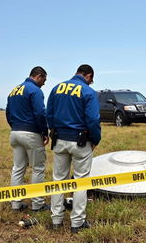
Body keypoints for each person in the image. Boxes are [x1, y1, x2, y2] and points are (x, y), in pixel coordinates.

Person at [46, 64, 101, 233]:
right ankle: (77, 223)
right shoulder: (88, 92)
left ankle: (56, 220)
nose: (91, 83)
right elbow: (92, 119)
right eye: (91, 79)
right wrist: (95, 139)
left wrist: (53, 131)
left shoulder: (57, 88)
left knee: (58, 180)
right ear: (88, 75)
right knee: (81, 181)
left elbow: (49, 114)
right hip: (81, 141)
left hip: (59, 140)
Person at [6, 66, 50, 211]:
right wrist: (44, 132)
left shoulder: (14, 90)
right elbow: (39, 112)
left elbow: (8, 112)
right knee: (38, 168)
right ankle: (37, 204)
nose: (44, 83)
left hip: (15, 132)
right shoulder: (35, 90)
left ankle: (15, 203)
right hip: (31, 134)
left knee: (18, 168)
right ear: (39, 76)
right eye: (44, 80)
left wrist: (15, 126)